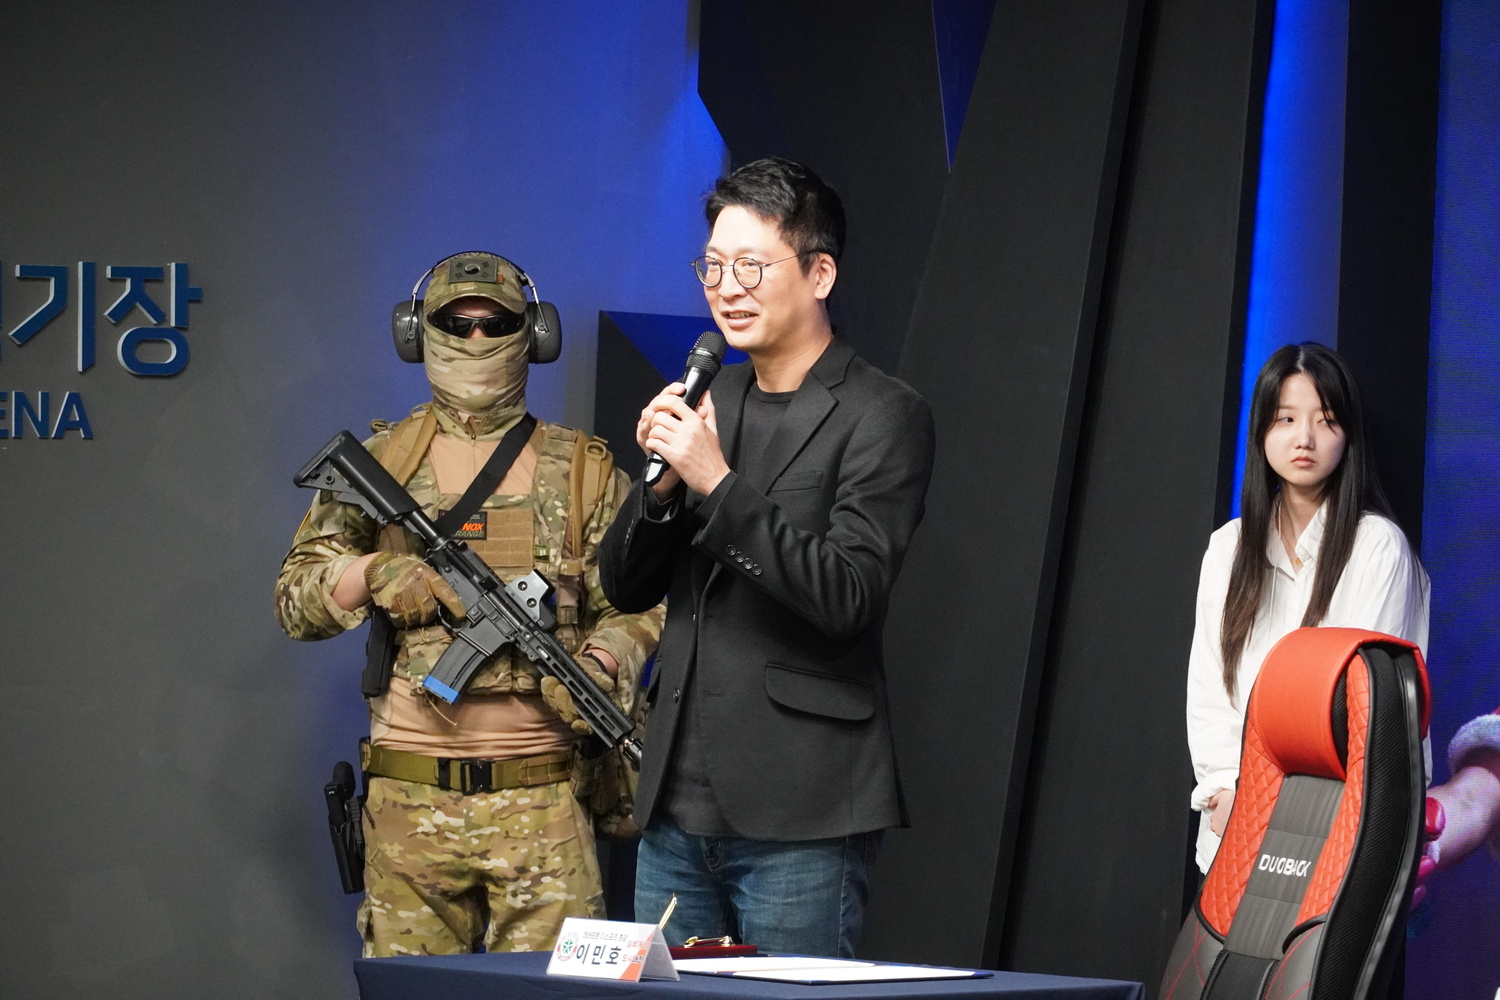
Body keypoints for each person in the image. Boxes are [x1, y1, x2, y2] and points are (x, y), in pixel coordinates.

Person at [274, 252, 663, 957]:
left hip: (545, 801)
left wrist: (605, 661)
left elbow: (642, 604)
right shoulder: (384, 461)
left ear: (533, 334)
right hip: (409, 802)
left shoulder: (583, 471)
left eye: (497, 323)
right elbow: (295, 601)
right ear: (418, 333)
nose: (477, 340)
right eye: (457, 324)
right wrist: (372, 571)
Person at [597, 157, 935, 958]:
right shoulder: (710, 398)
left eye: (751, 266)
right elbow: (624, 583)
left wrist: (715, 482)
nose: (727, 288)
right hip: (673, 808)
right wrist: (662, 492)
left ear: (820, 273)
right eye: (713, 266)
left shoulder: (883, 414)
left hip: (802, 814)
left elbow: (848, 595)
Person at [1185, 342, 1429, 873]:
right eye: (1286, 419)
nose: (1305, 439)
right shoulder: (1228, 549)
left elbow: (1366, 707)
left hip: (1339, 832)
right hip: (1235, 827)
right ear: (1261, 431)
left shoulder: (1376, 546)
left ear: (1348, 435)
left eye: (1326, 420)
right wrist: (1226, 787)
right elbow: (1209, 690)